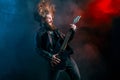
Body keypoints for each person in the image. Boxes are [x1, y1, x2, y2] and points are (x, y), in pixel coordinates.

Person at [34, 0, 81, 80]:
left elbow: (66, 40)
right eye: (49, 18)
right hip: (56, 61)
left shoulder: (55, 29)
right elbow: (38, 49)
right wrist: (50, 56)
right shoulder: (40, 33)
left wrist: (72, 31)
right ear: (43, 19)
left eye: (52, 17)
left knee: (77, 78)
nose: (52, 20)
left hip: (67, 58)